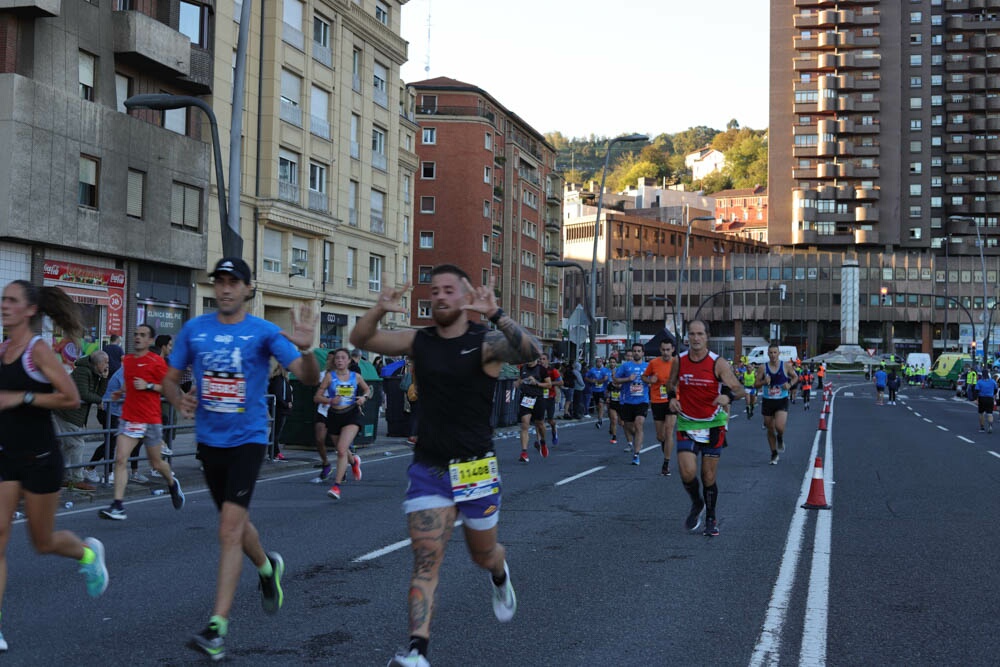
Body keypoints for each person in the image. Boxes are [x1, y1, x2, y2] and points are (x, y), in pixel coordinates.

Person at [349, 265, 538, 667]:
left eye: (449, 290)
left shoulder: (484, 343)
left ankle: (500, 574)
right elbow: (360, 339)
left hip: (475, 468)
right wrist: (379, 309)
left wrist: (497, 315)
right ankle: (418, 650)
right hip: (430, 468)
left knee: (482, 555)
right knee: (425, 561)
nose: (440, 296)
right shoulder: (420, 341)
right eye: (434, 290)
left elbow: (530, 353)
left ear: (466, 298)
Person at [162, 256, 319, 661]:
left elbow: (306, 376)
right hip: (210, 442)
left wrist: (308, 349)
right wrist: (179, 398)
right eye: (220, 281)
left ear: (248, 289)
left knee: (229, 530)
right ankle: (268, 569)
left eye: (234, 282)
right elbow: (169, 376)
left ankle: (217, 627)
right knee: (237, 525)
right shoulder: (195, 329)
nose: (226, 288)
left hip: (249, 440)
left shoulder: (263, 332)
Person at [0, 281, 109, 651]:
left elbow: (71, 396)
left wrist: (24, 396)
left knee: (42, 542)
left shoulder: (38, 350)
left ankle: (88, 553)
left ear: (30, 310)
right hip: (7, 456)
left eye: (12, 301)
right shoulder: (2, 351)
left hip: (41, 458)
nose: (5, 306)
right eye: (3, 300)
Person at [666, 320, 745, 537]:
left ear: (707, 337)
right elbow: (670, 384)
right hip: (687, 421)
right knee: (686, 471)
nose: (696, 338)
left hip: (713, 424)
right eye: (692, 334)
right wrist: (672, 398)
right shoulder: (679, 361)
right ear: (687, 337)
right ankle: (697, 502)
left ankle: (711, 517)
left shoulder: (717, 363)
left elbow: (740, 389)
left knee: (708, 475)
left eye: (700, 334)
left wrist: (726, 395)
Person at [97, 324, 183, 520]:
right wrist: (121, 392)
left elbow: (169, 388)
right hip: (129, 417)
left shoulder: (156, 361)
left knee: (156, 462)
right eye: (136, 334)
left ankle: (171, 482)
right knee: (120, 459)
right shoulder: (127, 360)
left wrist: (149, 385)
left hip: (150, 418)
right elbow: (129, 381)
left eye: (143, 335)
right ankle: (118, 505)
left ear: (150, 340)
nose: (138, 338)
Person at [314, 348, 368, 499]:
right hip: (334, 415)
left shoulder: (355, 377)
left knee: (341, 449)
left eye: (343, 358)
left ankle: (336, 487)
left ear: (349, 360)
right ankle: (354, 462)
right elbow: (317, 397)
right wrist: (330, 400)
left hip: (351, 415)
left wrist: (364, 397)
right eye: (337, 358)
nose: (339, 360)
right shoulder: (329, 377)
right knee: (341, 449)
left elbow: (368, 390)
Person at [52, 350, 109, 491]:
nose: (108, 365)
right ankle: (76, 479)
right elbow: (83, 394)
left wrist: (104, 378)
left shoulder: (95, 373)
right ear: (97, 363)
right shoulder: (83, 372)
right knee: (78, 444)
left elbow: (97, 394)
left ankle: (63, 477)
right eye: (105, 362)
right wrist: (98, 400)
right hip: (67, 412)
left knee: (69, 446)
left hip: (74, 413)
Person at [755, 342, 798, 465]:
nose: (773, 355)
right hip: (768, 401)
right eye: (771, 353)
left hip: (781, 400)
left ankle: (780, 437)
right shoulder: (763, 368)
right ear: (768, 354)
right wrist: (764, 382)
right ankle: (774, 453)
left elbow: (795, 377)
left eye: (775, 352)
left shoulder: (785, 366)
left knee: (779, 427)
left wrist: (789, 384)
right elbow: (756, 384)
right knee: (770, 428)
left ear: (779, 353)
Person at [643, 339, 677, 476]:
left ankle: (666, 463)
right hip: (657, 400)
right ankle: (665, 446)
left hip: (672, 400)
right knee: (660, 435)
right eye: (663, 350)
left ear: (673, 349)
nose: (666, 352)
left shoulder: (677, 363)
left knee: (669, 431)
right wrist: (650, 380)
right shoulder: (654, 363)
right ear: (660, 349)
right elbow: (644, 376)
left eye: (668, 350)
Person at [615, 342, 649, 465]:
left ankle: (636, 454)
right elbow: (615, 379)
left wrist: (650, 381)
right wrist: (628, 379)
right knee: (629, 427)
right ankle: (637, 440)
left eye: (639, 351)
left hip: (642, 401)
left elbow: (654, 379)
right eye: (635, 351)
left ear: (643, 353)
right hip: (627, 401)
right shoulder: (625, 366)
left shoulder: (648, 366)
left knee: (639, 423)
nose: (636, 353)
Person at [516, 358, 549, 462]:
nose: (529, 360)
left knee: (539, 424)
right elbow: (518, 381)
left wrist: (537, 383)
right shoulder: (523, 368)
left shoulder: (542, 369)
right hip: (526, 398)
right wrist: (518, 382)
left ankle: (543, 442)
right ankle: (524, 452)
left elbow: (549, 385)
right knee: (525, 424)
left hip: (538, 399)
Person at [313, 354, 336, 480]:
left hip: (337, 411)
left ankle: (351, 463)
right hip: (323, 410)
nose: (330, 361)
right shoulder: (322, 375)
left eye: (333, 358)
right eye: (328, 358)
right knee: (319, 439)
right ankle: (326, 464)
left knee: (339, 444)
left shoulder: (343, 376)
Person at [267, 361, 293, 460]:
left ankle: (274, 452)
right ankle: (274, 452)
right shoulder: (278, 379)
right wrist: (286, 404)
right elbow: (278, 395)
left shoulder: (282, 379)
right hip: (280, 409)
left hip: (281, 409)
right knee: (276, 431)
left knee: (276, 431)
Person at [539, 354, 561, 445]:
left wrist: (549, 383)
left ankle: (554, 430)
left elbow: (561, 382)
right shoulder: (537, 370)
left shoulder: (553, 371)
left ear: (548, 361)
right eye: (540, 359)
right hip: (540, 397)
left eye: (544, 359)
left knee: (550, 420)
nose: (541, 361)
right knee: (539, 420)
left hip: (550, 397)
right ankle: (540, 440)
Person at [585, 357, 611, 429]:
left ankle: (600, 420)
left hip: (602, 390)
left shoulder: (605, 370)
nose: (599, 363)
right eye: (597, 362)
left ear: (602, 363)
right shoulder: (592, 370)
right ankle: (600, 415)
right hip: (595, 390)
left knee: (600, 404)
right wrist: (591, 381)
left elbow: (606, 378)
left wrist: (599, 381)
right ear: (596, 363)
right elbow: (586, 377)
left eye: (600, 362)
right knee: (598, 406)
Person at [606, 356, 622, 444]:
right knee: (613, 419)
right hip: (613, 402)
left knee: (621, 422)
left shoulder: (622, 384)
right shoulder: (610, 384)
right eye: (612, 376)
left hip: (621, 403)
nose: (613, 377)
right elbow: (607, 392)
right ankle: (614, 437)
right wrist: (607, 398)